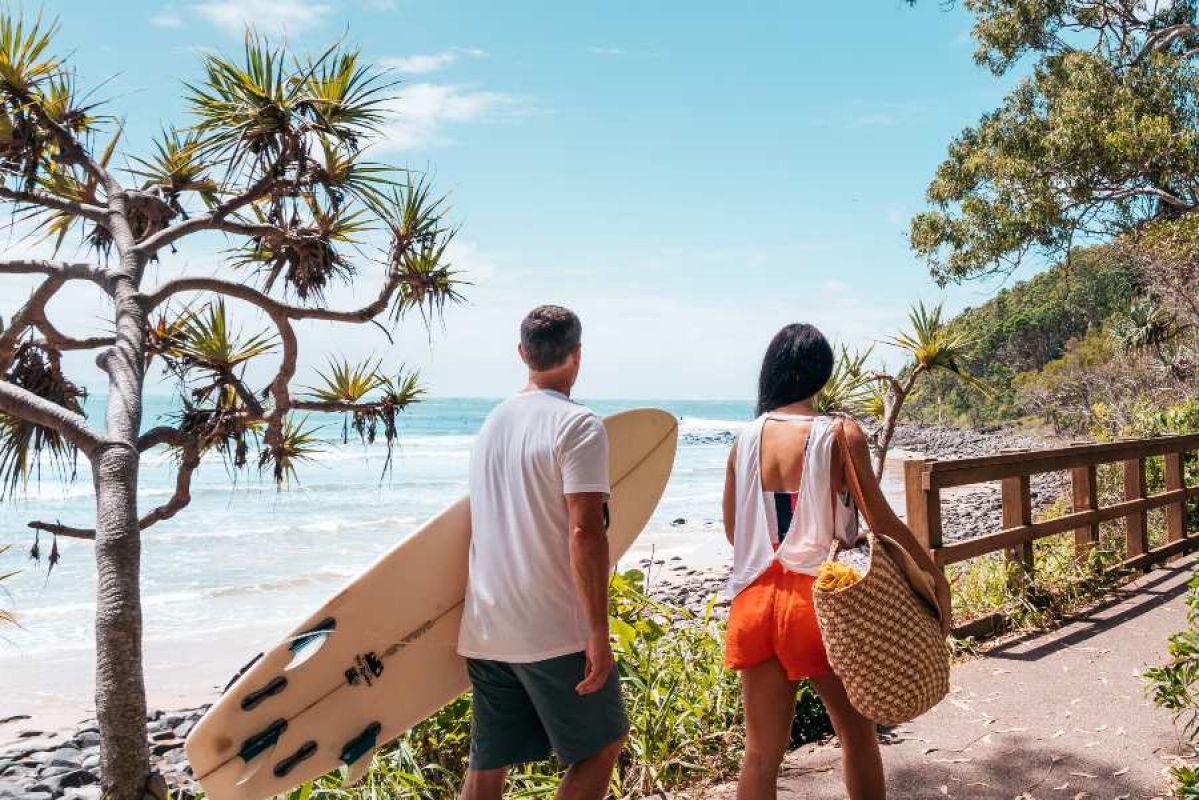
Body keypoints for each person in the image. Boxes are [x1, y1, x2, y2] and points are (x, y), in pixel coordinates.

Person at [721, 323, 952, 800]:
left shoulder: (742, 440)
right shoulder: (839, 433)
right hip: (822, 603)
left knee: (761, 754)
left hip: (755, 603)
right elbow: (880, 519)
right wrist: (931, 574)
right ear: (822, 372)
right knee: (856, 734)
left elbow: (733, 530)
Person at [458, 305, 627, 800]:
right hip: (552, 629)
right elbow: (585, 533)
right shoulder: (578, 425)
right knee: (601, 746)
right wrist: (598, 630)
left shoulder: (491, 424)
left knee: (488, 766)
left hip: (486, 626)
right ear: (577, 356)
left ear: (522, 355)